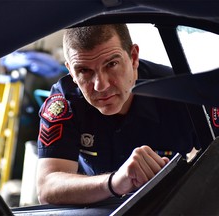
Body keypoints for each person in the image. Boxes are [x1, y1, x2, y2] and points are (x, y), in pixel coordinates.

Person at [36, 24, 200, 205]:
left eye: (111, 64)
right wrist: (114, 183)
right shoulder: (64, 102)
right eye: (84, 71)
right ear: (71, 72)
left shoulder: (181, 92)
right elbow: (46, 187)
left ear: (134, 57)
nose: (101, 85)